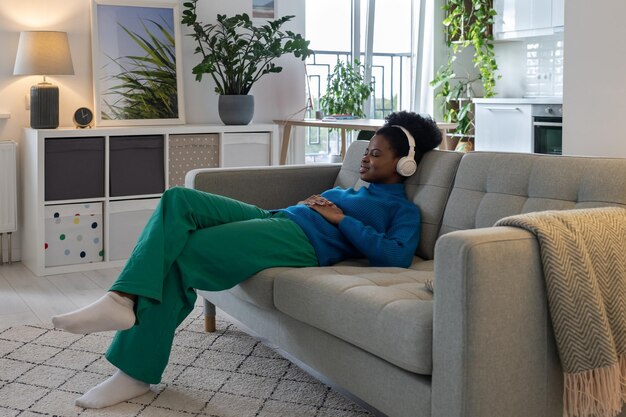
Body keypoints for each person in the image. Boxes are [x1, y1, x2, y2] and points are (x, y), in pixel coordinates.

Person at [51, 111, 442, 409]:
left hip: (300, 241)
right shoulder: (358, 188)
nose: (365, 159)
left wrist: (339, 218)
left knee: (185, 251)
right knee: (178, 199)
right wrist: (318, 204)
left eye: (376, 154)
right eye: (366, 151)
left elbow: (396, 255)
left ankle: (133, 370)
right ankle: (121, 300)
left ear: (404, 163)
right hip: (279, 218)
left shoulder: (401, 211)